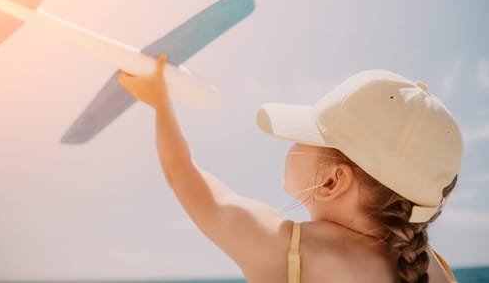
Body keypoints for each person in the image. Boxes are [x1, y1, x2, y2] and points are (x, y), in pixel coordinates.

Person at [118, 54, 461, 283]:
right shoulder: (431, 267)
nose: (291, 144)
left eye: (304, 136)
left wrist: (160, 102)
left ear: (332, 180)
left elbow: (184, 175)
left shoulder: (286, 250)